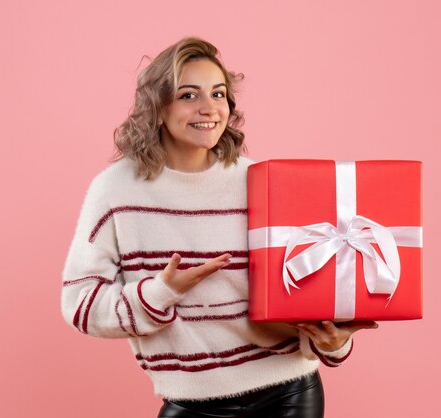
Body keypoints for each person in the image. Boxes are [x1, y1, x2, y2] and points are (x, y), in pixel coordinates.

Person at [61, 36, 377, 418]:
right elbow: (80, 305)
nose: (209, 108)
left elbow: (302, 293)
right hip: (191, 402)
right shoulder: (115, 190)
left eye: (219, 94)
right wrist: (160, 293)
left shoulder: (261, 182)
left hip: (289, 394)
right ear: (157, 108)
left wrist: (331, 342)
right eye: (189, 95)